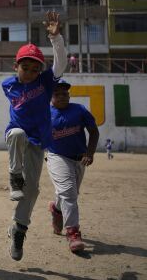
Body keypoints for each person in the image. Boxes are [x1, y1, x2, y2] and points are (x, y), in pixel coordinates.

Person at [2, 11, 67, 261]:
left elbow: (60, 64)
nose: (28, 72)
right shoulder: (8, 84)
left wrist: (56, 39)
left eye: (34, 69)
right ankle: (13, 175)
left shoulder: (45, 82)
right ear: (15, 66)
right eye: (24, 67)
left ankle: (18, 229)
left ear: (40, 70)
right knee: (17, 133)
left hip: (39, 141)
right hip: (16, 137)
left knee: (33, 190)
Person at [46, 79, 99, 253]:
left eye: (65, 93)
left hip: (79, 158)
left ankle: (56, 209)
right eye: (57, 94)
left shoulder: (79, 110)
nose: (62, 96)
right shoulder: (45, 113)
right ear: (50, 96)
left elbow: (93, 131)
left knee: (70, 194)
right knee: (69, 191)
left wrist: (89, 153)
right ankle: (73, 233)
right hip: (56, 156)